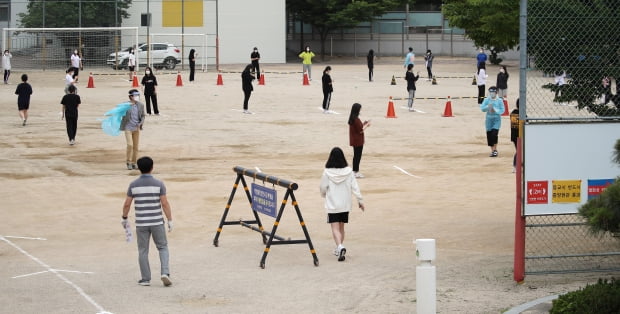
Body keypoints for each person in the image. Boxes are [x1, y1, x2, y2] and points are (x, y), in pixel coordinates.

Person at [121, 156, 173, 287]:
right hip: (156, 221)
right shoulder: (159, 184)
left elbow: (127, 204)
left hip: (141, 222)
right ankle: (165, 272)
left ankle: (145, 278)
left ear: (138, 168)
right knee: (162, 247)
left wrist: (124, 217)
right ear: (152, 167)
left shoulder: (133, 185)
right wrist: (169, 219)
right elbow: (165, 203)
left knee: (143, 250)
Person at [319, 147, 365, 262]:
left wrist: (324, 195)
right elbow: (355, 187)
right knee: (341, 227)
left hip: (333, 204)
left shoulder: (327, 172)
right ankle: (339, 247)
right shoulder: (349, 171)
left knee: (335, 228)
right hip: (345, 204)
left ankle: (340, 246)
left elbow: (323, 188)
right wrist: (360, 200)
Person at [120, 89, 146, 170]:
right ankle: (128, 161)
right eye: (135, 95)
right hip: (128, 127)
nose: (137, 97)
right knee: (130, 145)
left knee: (136, 147)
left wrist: (141, 123)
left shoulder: (140, 105)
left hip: (136, 128)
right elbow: (119, 112)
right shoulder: (125, 105)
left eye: (138, 95)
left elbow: (143, 116)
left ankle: (134, 163)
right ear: (131, 96)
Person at [480, 86, 505, 157]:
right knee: (489, 135)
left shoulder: (499, 100)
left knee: (494, 134)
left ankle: (495, 150)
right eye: (490, 92)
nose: (492, 94)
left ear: (496, 92)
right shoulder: (487, 100)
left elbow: (502, 110)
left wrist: (496, 110)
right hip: (489, 119)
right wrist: (487, 107)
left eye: (493, 92)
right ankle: (492, 150)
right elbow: (482, 108)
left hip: (496, 119)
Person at [348, 103, 371, 178]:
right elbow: (360, 131)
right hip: (358, 140)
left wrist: (364, 123)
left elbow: (359, 127)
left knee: (356, 156)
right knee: (358, 156)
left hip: (355, 140)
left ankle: (355, 171)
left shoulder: (352, 118)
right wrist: (367, 126)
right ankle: (356, 171)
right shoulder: (356, 119)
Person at [510, 98, 520, 172]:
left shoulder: (513, 112)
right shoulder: (522, 114)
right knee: (519, 151)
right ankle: (515, 165)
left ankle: (517, 165)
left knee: (518, 150)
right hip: (519, 135)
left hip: (513, 135)